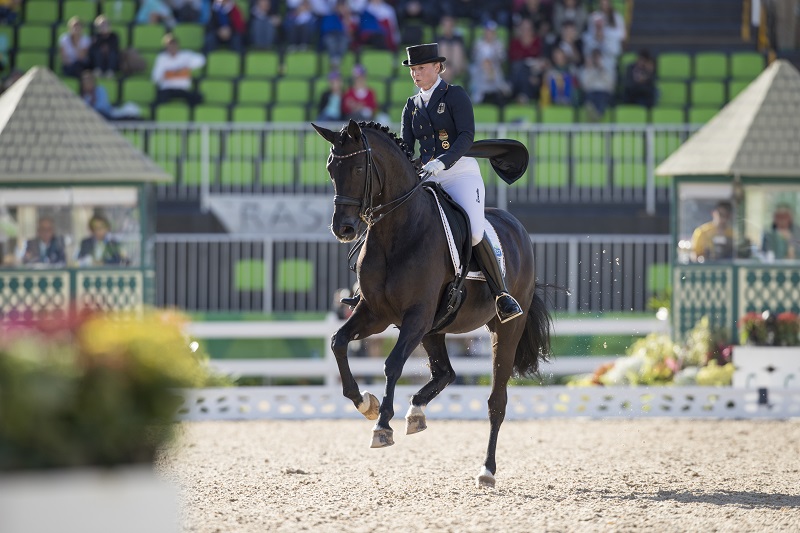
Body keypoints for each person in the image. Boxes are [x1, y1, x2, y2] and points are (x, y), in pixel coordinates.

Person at [400, 42, 522, 322]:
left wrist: (443, 161)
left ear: (437, 67)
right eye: (412, 70)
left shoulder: (454, 95)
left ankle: (501, 294)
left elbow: (466, 136)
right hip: (429, 177)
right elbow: (406, 148)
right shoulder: (411, 105)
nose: (416, 74)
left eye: (420, 68)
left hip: (460, 173)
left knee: (475, 232)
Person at [152, 33, 205, 106]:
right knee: (158, 102)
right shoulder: (162, 58)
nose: (172, 47)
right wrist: (169, 73)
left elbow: (202, 60)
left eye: (173, 44)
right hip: (167, 88)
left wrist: (186, 67)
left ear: (177, 45)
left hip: (182, 89)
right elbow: (155, 78)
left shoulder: (185, 55)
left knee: (198, 97)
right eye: (169, 45)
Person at [579, 47, 615, 121]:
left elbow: (611, 86)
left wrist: (602, 71)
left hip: (604, 92)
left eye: (598, 57)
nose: (596, 60)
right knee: (589, 98)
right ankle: (596, 115)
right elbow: (584, 86)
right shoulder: (586, 70)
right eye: (594, 57)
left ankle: (597, 115)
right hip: (591, 92)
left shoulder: (608, 70)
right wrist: (591, 71)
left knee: (601, 98)